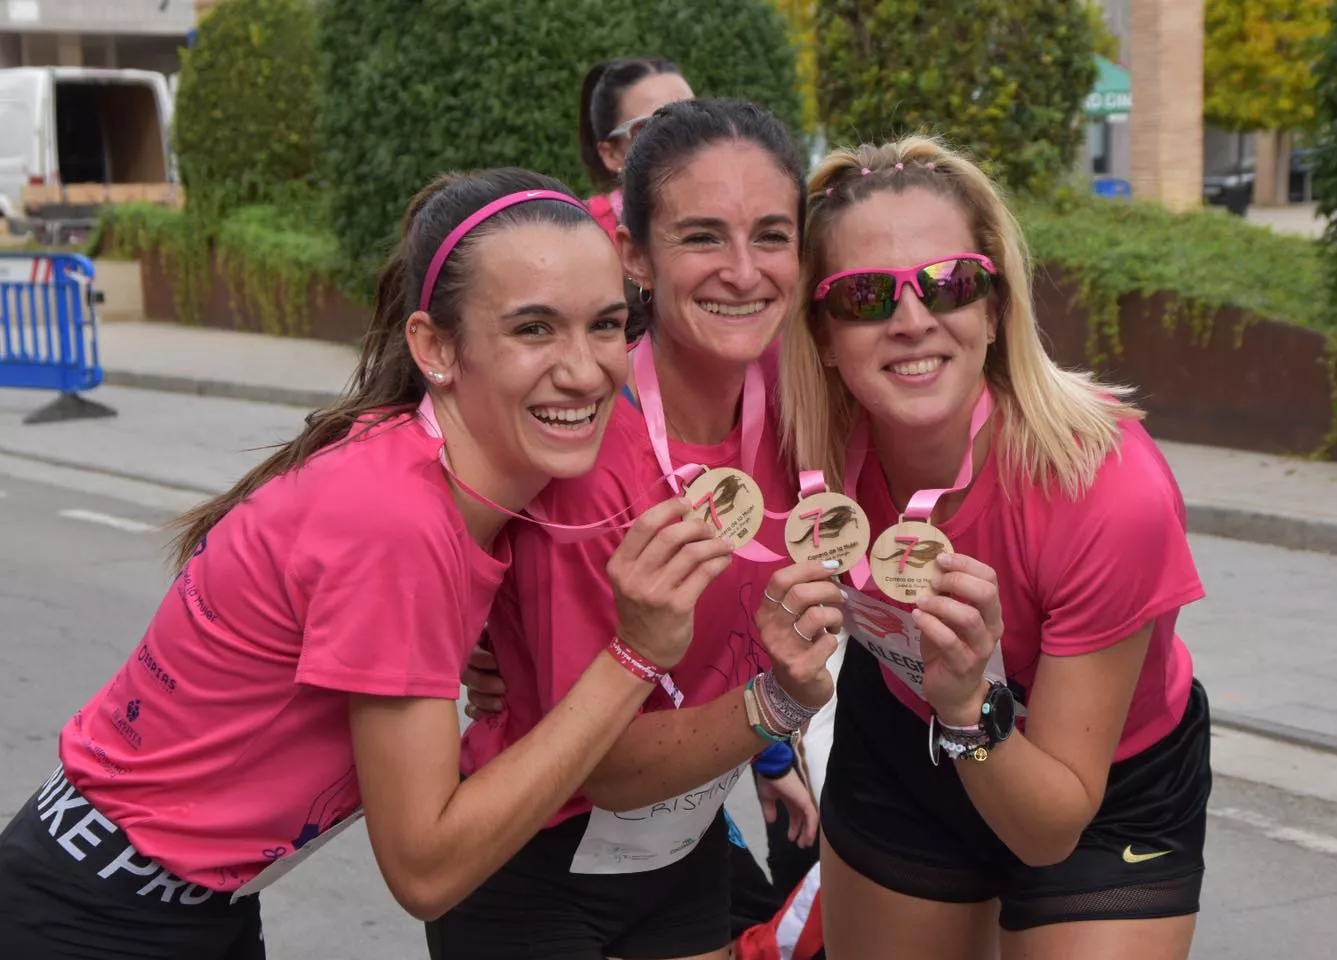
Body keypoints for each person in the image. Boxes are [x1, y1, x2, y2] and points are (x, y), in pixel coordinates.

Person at [0, 167, 736, 960]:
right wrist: (633, 655)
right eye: (533, 329)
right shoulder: (396, 521)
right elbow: (426, 870)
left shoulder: (442, 475)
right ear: (435, 348)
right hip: (91, 914)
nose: (586, 369)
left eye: (606, 325)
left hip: (188, 904)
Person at [778, 136, 1212, 959]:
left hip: (1104, 782)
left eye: (950, 284)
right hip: (903, 745)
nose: (912, 321)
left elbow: (1050, 828)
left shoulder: (1109, 489)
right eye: (865, 295)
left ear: (995, 308)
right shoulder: (809, 444)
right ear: (824, 333)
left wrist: (969, 708)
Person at [431, 99, 837, 960]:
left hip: (685, 851)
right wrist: (781, 705)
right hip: (530, 868)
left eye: (771, 235)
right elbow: (607, 765)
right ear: (634, 253)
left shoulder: (804, 404)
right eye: (700, 237)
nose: (742, 270)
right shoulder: (580, 447)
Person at [577, 56, 694, 241]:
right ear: (611, 154)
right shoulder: (581, 235)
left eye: (698, 115)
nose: (688, 136)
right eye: (656, 125)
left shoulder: (741, 211)